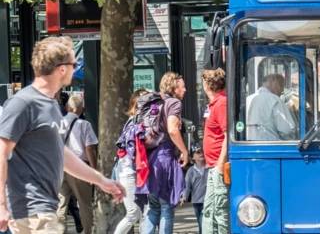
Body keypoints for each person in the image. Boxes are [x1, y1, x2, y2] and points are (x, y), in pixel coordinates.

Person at [0, 36, 124, 234]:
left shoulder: (52, 107)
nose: (75, 69)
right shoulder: (22, 103)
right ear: (62, 68)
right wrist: (1, 205)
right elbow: (1, 153)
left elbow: (63, 155)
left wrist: (101, 181)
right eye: (74, 64)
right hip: (31, 212)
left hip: (44, 209)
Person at [139, 72, 189, 234]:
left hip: (149, 158)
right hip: (165, 158)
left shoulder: (154, 101)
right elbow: (173, 129)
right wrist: (184, 150)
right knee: (167, 207)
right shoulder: (174, 103)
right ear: (174, 88)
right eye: (182, 86)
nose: (185, 89)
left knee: (153, 207)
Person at [56, 95, 98, 234]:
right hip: (79, 167)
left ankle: (60, 231)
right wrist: (94, 170)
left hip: (60, 167)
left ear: (67, 107)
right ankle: (87, 231)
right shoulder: (84, 125)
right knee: (85, 204)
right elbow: (90, 149)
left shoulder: (58, 124)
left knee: (61, 205)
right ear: (82, 109)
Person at [113, 89, 149, 234]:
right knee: (134, 213)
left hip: (134, 171)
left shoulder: (136, 121)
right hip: (128, 172)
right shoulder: (135, 122)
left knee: (144, 212)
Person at [201, 68, 229, 234]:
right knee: (209, 209)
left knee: (219, 209)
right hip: (213, 165)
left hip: (217, 165)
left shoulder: (221, 104)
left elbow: (227, 135)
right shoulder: (215, 104)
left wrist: (220, 164)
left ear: (207, 85)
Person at [245, 74, 298, 141]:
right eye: (282, 87)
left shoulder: (248, 100)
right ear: (277, 85)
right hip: (272, 146)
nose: (282, 91)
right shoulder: (275, 100)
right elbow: (286, 130)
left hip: (249, 146)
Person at [181, 146, 207, 233]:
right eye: (198, 152)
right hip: (196, 201)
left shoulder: (209, 168)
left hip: (207, 201)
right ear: (193, 157)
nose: (201, 154)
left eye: (202, 151)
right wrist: (184, 196)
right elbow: (187, 186)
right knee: (200, 223)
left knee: (204, 222)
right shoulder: (191, 171)